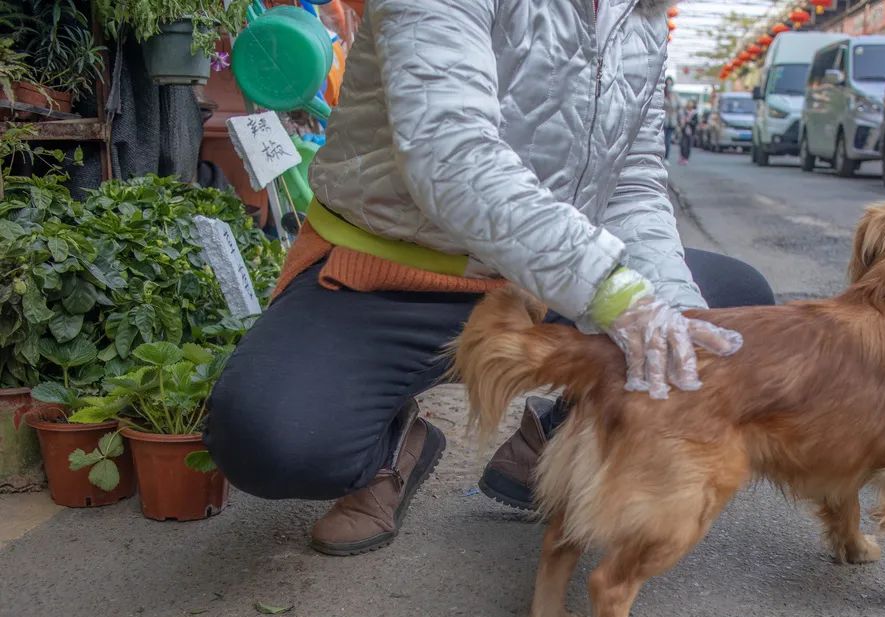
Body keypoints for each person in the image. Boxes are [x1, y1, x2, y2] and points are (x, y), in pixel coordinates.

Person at [205, 0, 774, 556]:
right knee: (273, 440)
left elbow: (632, 180)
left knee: (726, 313)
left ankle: (558, 437)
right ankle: (393, 449)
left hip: (547, 273)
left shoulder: (641, 16)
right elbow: (450, 154)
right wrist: (613, 293)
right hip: (397, 271)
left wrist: (668, 307)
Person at [663, 76, 680, 163]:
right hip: (663, 120)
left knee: (668, 140)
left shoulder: (675, 94)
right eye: (667, 83)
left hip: (672, 121)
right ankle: (660, 156)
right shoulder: (662, 93)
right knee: (662, 140)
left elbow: (678, 105)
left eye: (670, 83)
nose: (669, 85)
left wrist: (671, 99)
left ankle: (666, 157)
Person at [678, 99, 699, 165]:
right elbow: (680, 119)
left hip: (691, 131)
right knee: (682, 144)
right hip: (684, 130)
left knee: (688, 146)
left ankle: (686, 158)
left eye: (691, 105)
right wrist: (681, 122)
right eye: (688, 105)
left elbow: (696, 122)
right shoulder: (684, 112)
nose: (690, 106)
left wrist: (689, 122)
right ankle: (682, 156)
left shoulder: (695, 113)